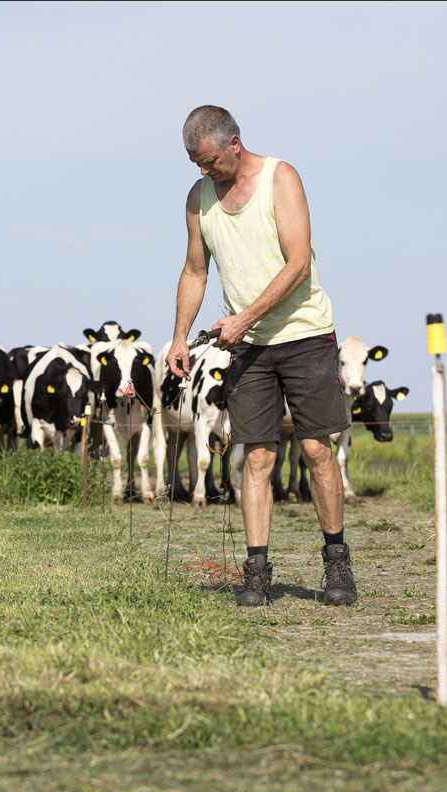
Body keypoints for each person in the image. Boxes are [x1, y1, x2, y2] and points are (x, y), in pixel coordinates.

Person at [166, 105, 356, 607]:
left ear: (234, 142)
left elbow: (298, 263)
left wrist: (245, 318)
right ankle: (256, 572)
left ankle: (337, 564)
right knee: (258, 456)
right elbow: (194, 271)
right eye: (194, 164)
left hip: (305, 334)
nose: (203, 171)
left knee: (316, 450)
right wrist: (180, 336)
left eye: (208, 161)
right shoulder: (198, 198)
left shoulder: (281, 178)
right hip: (248, 346)